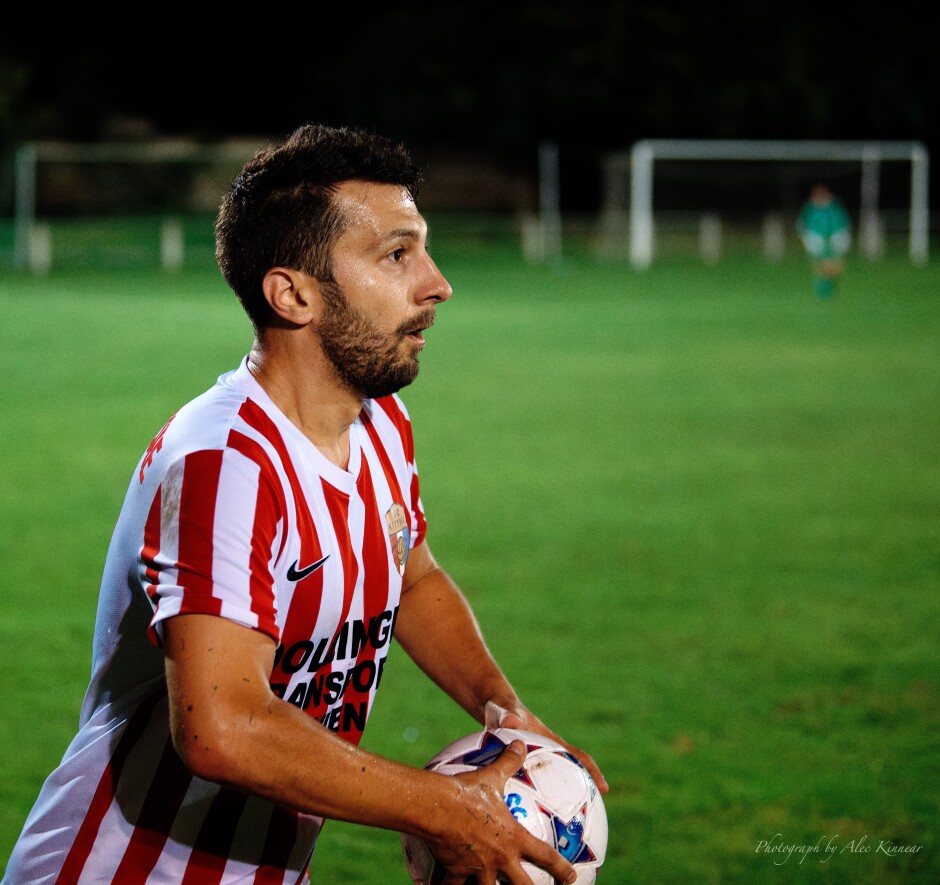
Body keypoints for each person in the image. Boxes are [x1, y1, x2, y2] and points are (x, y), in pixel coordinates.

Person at [2, 124, 607, 885]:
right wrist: (444, 807)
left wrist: (500, 706)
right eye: (397, 255)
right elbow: (222, 725)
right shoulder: (225, 463)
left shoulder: (379, 422)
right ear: (294, 294)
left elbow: (410, 575)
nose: (437, 282)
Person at [796, 183, 852, 298]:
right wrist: (804, 234)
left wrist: (839, 235)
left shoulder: (835, 205)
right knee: (818, 264)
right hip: (816, 237)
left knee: (834, 264)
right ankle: (822, 288)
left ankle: (829, 286)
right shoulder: (810, 206)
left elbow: (843, 220)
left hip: (835, 236)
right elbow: (802, 222)